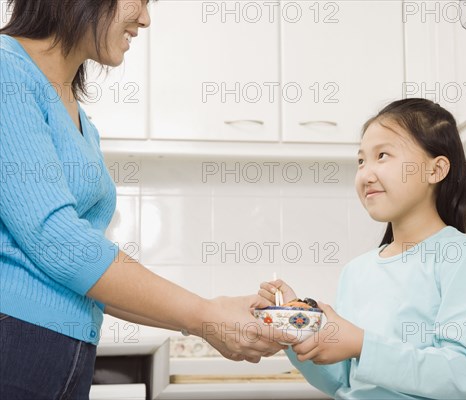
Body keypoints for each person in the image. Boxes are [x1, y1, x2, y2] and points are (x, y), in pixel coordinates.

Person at [0, 1, 285, 398]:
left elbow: (86, 272)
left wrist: (207, 315)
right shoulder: (5, 72)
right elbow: (57, 241)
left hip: (62, 352)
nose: (146, 19)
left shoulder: (81, 120)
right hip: (16, 342)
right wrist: (203, 315)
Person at [259, 98, 466, 399]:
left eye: (382, 155)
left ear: (435, 169)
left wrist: (362, 344)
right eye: (361, 161)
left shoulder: (464, 256)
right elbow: (341, 383)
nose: (366, 174)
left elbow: (461, 375)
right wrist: (296, 328)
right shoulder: (356, 271)